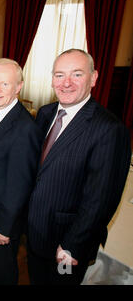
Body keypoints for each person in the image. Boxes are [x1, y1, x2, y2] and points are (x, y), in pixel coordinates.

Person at [27, 49, 131, 285]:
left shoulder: (109, 130)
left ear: (94, 78)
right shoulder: (45, 113)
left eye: (76, 74)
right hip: (35, 233)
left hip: (68, 245)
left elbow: (101, 199)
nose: (66, 83)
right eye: (59, 75)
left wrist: (73, 244)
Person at [0, 58, 42, 285]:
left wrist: (4, 227)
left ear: (18, 87)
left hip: (2, 223)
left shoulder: (24, 128)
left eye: (4, 84)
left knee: (3, 276)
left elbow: (20, 185)